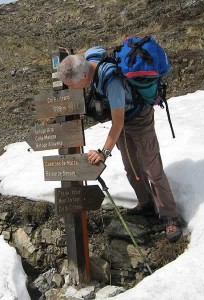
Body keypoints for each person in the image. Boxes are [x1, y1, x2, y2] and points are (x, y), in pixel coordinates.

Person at [57, 46, 182, 242]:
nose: (71, 88)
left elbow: (118, 123)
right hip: (123, 116)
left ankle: (170, 217)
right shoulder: (89, 57)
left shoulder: (111, 81)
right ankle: (146, 203)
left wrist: (103, 152)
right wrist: (68, 54)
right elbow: (84, 53)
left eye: (71, 85)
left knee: (152, 168)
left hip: (138, 117)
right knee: (131, 166)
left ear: (83, 76)